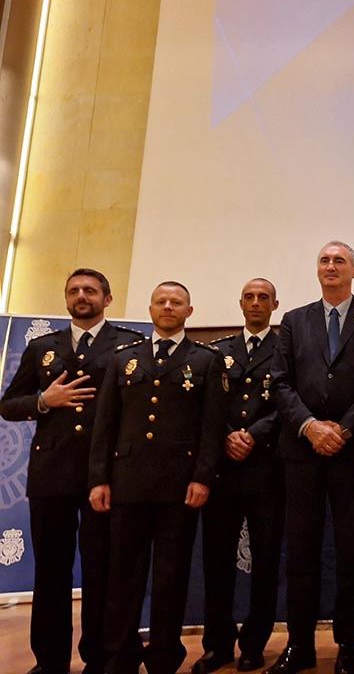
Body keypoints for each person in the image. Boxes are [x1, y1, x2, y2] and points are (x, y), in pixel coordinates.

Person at [0, 269, 142, 674]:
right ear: (66, 299)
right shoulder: (42, 347)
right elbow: (8, 405)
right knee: (51, 572)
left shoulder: (130, 344)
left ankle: (100, 657)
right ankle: (50, 660)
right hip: (52, 472)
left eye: (90, 290)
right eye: (74, 290)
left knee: (102, 570)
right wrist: (44, 400)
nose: (81, 296)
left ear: (107, 299)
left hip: (106, 475)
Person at [266, 241, 354, 674]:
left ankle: (347, 644)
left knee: (350, 551)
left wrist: (342, 429)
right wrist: (310, 426)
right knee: (301, 552)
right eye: (324, 260)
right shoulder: (294, 320)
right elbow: (280, 382)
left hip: (352, 451)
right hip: (301, 451)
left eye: (340, 260)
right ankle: (299, 644)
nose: (331, 266)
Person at [88, 281, 227, 674]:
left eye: (176, 302)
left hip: (178, 487)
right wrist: (98, 478)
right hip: (127, 483)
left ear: (189, 311)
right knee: (123, 576)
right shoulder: (123, 359)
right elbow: (105, 424)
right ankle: (120, 656)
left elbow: (212, 427)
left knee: (170, 577)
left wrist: (203, 477)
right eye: (161, 301)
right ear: (150, 309)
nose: (168, 307)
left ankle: (164, 657)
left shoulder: (206, 360)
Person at [192, 278, 284, 674]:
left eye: (264, 297)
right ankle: (217, 644)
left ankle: (254, 644)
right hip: (223, 472)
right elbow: (206, 404)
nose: (256, 302)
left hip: (267, 470)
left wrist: (254, 434)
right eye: (250, 297)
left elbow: (290, 402)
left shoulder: (286, 350)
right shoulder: (219, 351)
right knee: (217, 562)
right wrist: (228, 434)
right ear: (241, 304)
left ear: (275, 305)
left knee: (265, 562)